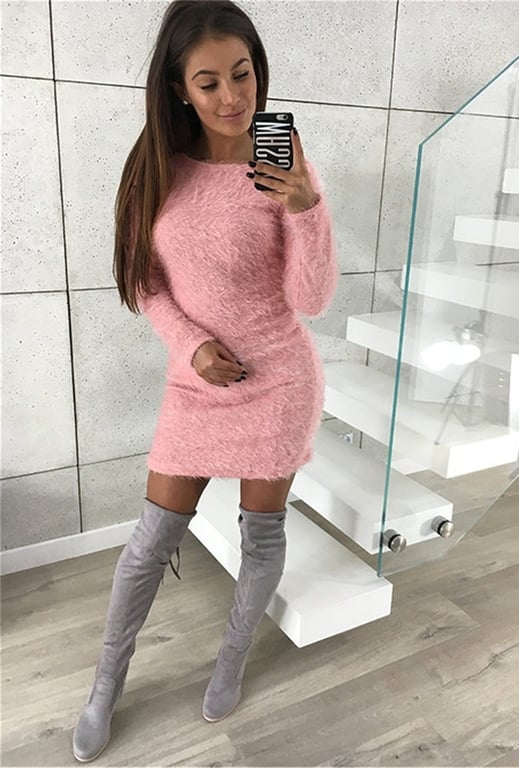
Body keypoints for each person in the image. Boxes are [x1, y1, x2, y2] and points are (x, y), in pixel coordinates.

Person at [72, 0, 338, 762]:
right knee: (150, 542)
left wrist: (306, 207)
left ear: (259, 70)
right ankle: (105, 687)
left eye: (243, 74)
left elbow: (312, 299)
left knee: (263, 535)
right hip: (197, 386)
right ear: (178, 89)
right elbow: (146, 282)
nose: (232, 97)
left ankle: (230, 664)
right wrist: (191, 347)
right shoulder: (159, 164)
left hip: (279, 379)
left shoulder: (281, 158)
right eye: (210, 81)